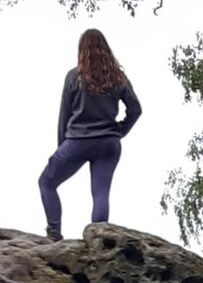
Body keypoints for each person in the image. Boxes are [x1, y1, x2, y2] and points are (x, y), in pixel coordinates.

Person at [38, 28, 142, 241]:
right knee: (100, 192)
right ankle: (99, 239)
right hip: (108, 143)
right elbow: (136, 109)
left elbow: (64, 115)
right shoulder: (118, 78)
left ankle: (54, 234)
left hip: (77, 141)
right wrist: (119, 131)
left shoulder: (74, 77)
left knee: (46, 182)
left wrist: (61, 148)